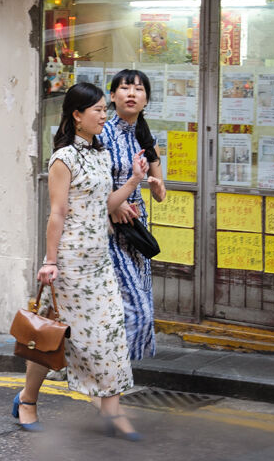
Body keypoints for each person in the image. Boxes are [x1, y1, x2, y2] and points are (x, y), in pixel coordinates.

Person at [13, 82, 143, 440]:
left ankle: (113, 411)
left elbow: (103, 205)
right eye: (98, 110)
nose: (105, 115)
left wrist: (134, 180)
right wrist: (49, 260)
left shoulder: (100, 155)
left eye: (105, 109)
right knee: (54, 337)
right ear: (76, 115)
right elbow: (57, 213)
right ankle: (27, 400)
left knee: (111, 334)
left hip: (100, 261)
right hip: (68, 264)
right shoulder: (63, 158)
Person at [99, 69, 166, 361]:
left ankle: (111, 379)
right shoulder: (101, 132)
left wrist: (155, 183)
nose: (131, 94)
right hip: (109, 231)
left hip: (136, 231)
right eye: (124, 88)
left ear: (146, 100)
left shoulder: (146, 137)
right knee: (135, 311)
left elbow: (160, 193)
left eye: (138, 89)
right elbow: (90, 184)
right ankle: (106, 375)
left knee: (135, 309)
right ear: (112, 96)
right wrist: (115, 203)